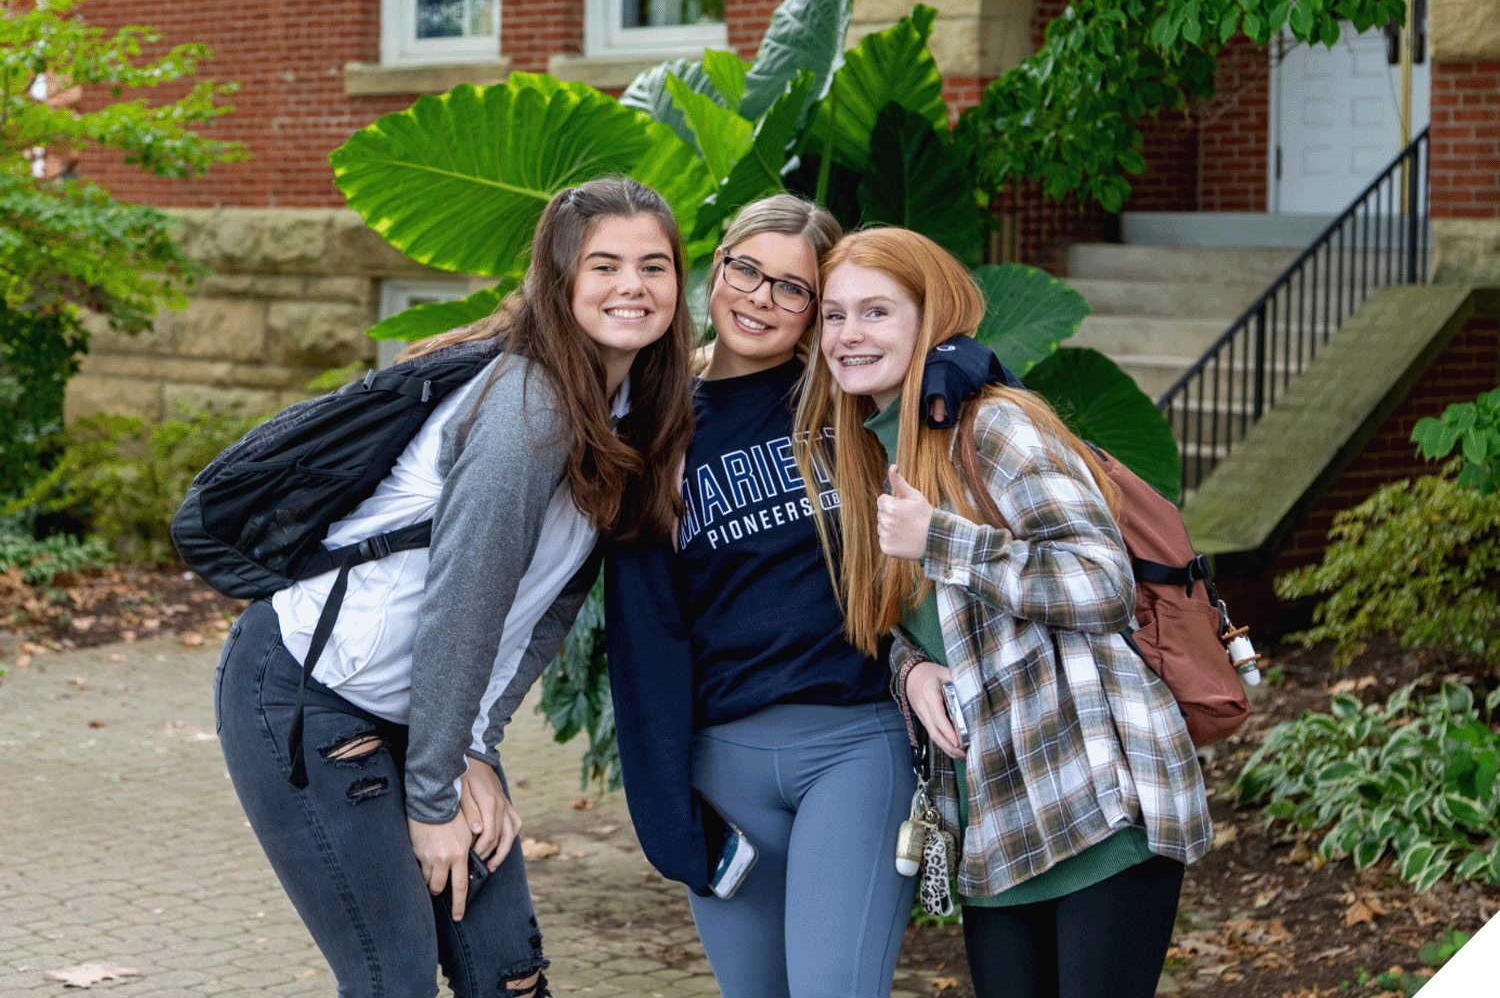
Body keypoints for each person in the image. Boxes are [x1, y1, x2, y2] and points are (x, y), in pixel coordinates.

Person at [213, 177, 696, 998]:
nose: (632, 287)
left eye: (654, 266)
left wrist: (475, 744)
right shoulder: (529, 409)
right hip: (314, 692)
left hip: (431, 715)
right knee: (391, 977)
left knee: (509, 977)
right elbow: (464, 602)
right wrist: (435, 796)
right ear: (561, 280)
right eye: (605, 265)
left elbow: (545, 611)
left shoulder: (623, 412)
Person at [797, 227, 1214, 998]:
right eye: (835, 315)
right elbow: (912, 620)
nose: (850, 335)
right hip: (999, 826)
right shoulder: (863, 451)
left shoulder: (994, 425)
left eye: (877, 312)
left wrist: (943, 539)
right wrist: (911, 669)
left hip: (1095, 801)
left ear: (930, 319)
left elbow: (1101, 584)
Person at [605, 194, 918, 998]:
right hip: (722, 767)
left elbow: (953, 399)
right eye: (748, 270)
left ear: (815, 312)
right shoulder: (652, 426)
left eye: (792, 288)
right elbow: (646, 635)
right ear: (717, 268)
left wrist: (958, 364)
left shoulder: (844, 403)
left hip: (852, 744)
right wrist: (669, 811)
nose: (761, 298)